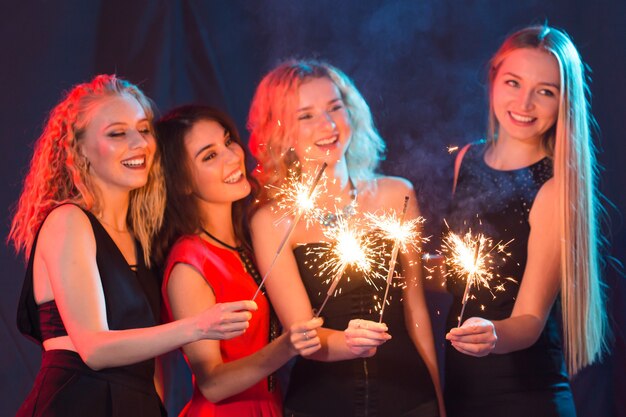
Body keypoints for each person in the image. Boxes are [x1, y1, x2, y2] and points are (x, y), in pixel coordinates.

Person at [8, 75, 256, 417]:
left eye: (143, 129)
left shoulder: (140, 238)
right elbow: (94, 348)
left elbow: (147, 363)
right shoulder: (69, 221)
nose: (138, 143)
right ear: (78, 148)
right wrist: (198, 325)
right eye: (117, 133)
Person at [248, 59, 444, 417]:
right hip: (321, 404)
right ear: (279, 131)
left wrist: (439, 402)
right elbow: (302, 336)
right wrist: (347, 343)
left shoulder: (397, 194)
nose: (327, 124)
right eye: (305, 115)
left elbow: (416, 311)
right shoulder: (272, 220)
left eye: (335, 107)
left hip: (411, 400)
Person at [444, 25, 609, 417]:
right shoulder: (465, 158)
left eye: (546, 91)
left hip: (523, 396)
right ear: (493, 79)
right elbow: (460, 272)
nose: (525, 102)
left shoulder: (554, 188)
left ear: (564, 102)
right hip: (460, 388)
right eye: (514, 83)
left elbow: (531, 320)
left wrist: (492, 334)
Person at [154, 104, 323, 416]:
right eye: (209, 156)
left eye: (228, 141)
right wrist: (287, 345)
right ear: (182, 182)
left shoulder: (246, 241)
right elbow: (213, 384)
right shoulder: (189, 264)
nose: (232, 157)